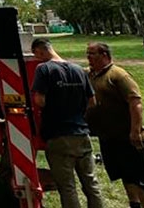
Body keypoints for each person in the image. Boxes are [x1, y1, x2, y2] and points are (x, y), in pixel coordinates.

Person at [30, 38, 104, 208]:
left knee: (67, 187)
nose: (37, 59)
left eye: (36, 55)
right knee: (91, 184)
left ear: (40, 51)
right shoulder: (78, 69)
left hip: (58, 135)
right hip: (81, 134)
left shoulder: (44, 69)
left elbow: (39, 100)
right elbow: (92, 101)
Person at [86, 42, 144, 208]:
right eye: (87, 54)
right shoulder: (91, 75)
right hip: (109, 137)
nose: (88, 57)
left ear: (104, 55)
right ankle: (134, 204)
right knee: (125, 173)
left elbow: (136, 103)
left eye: (92, 53)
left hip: (128, 136)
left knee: (143, 176)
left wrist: (135, 131)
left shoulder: (118, 75)